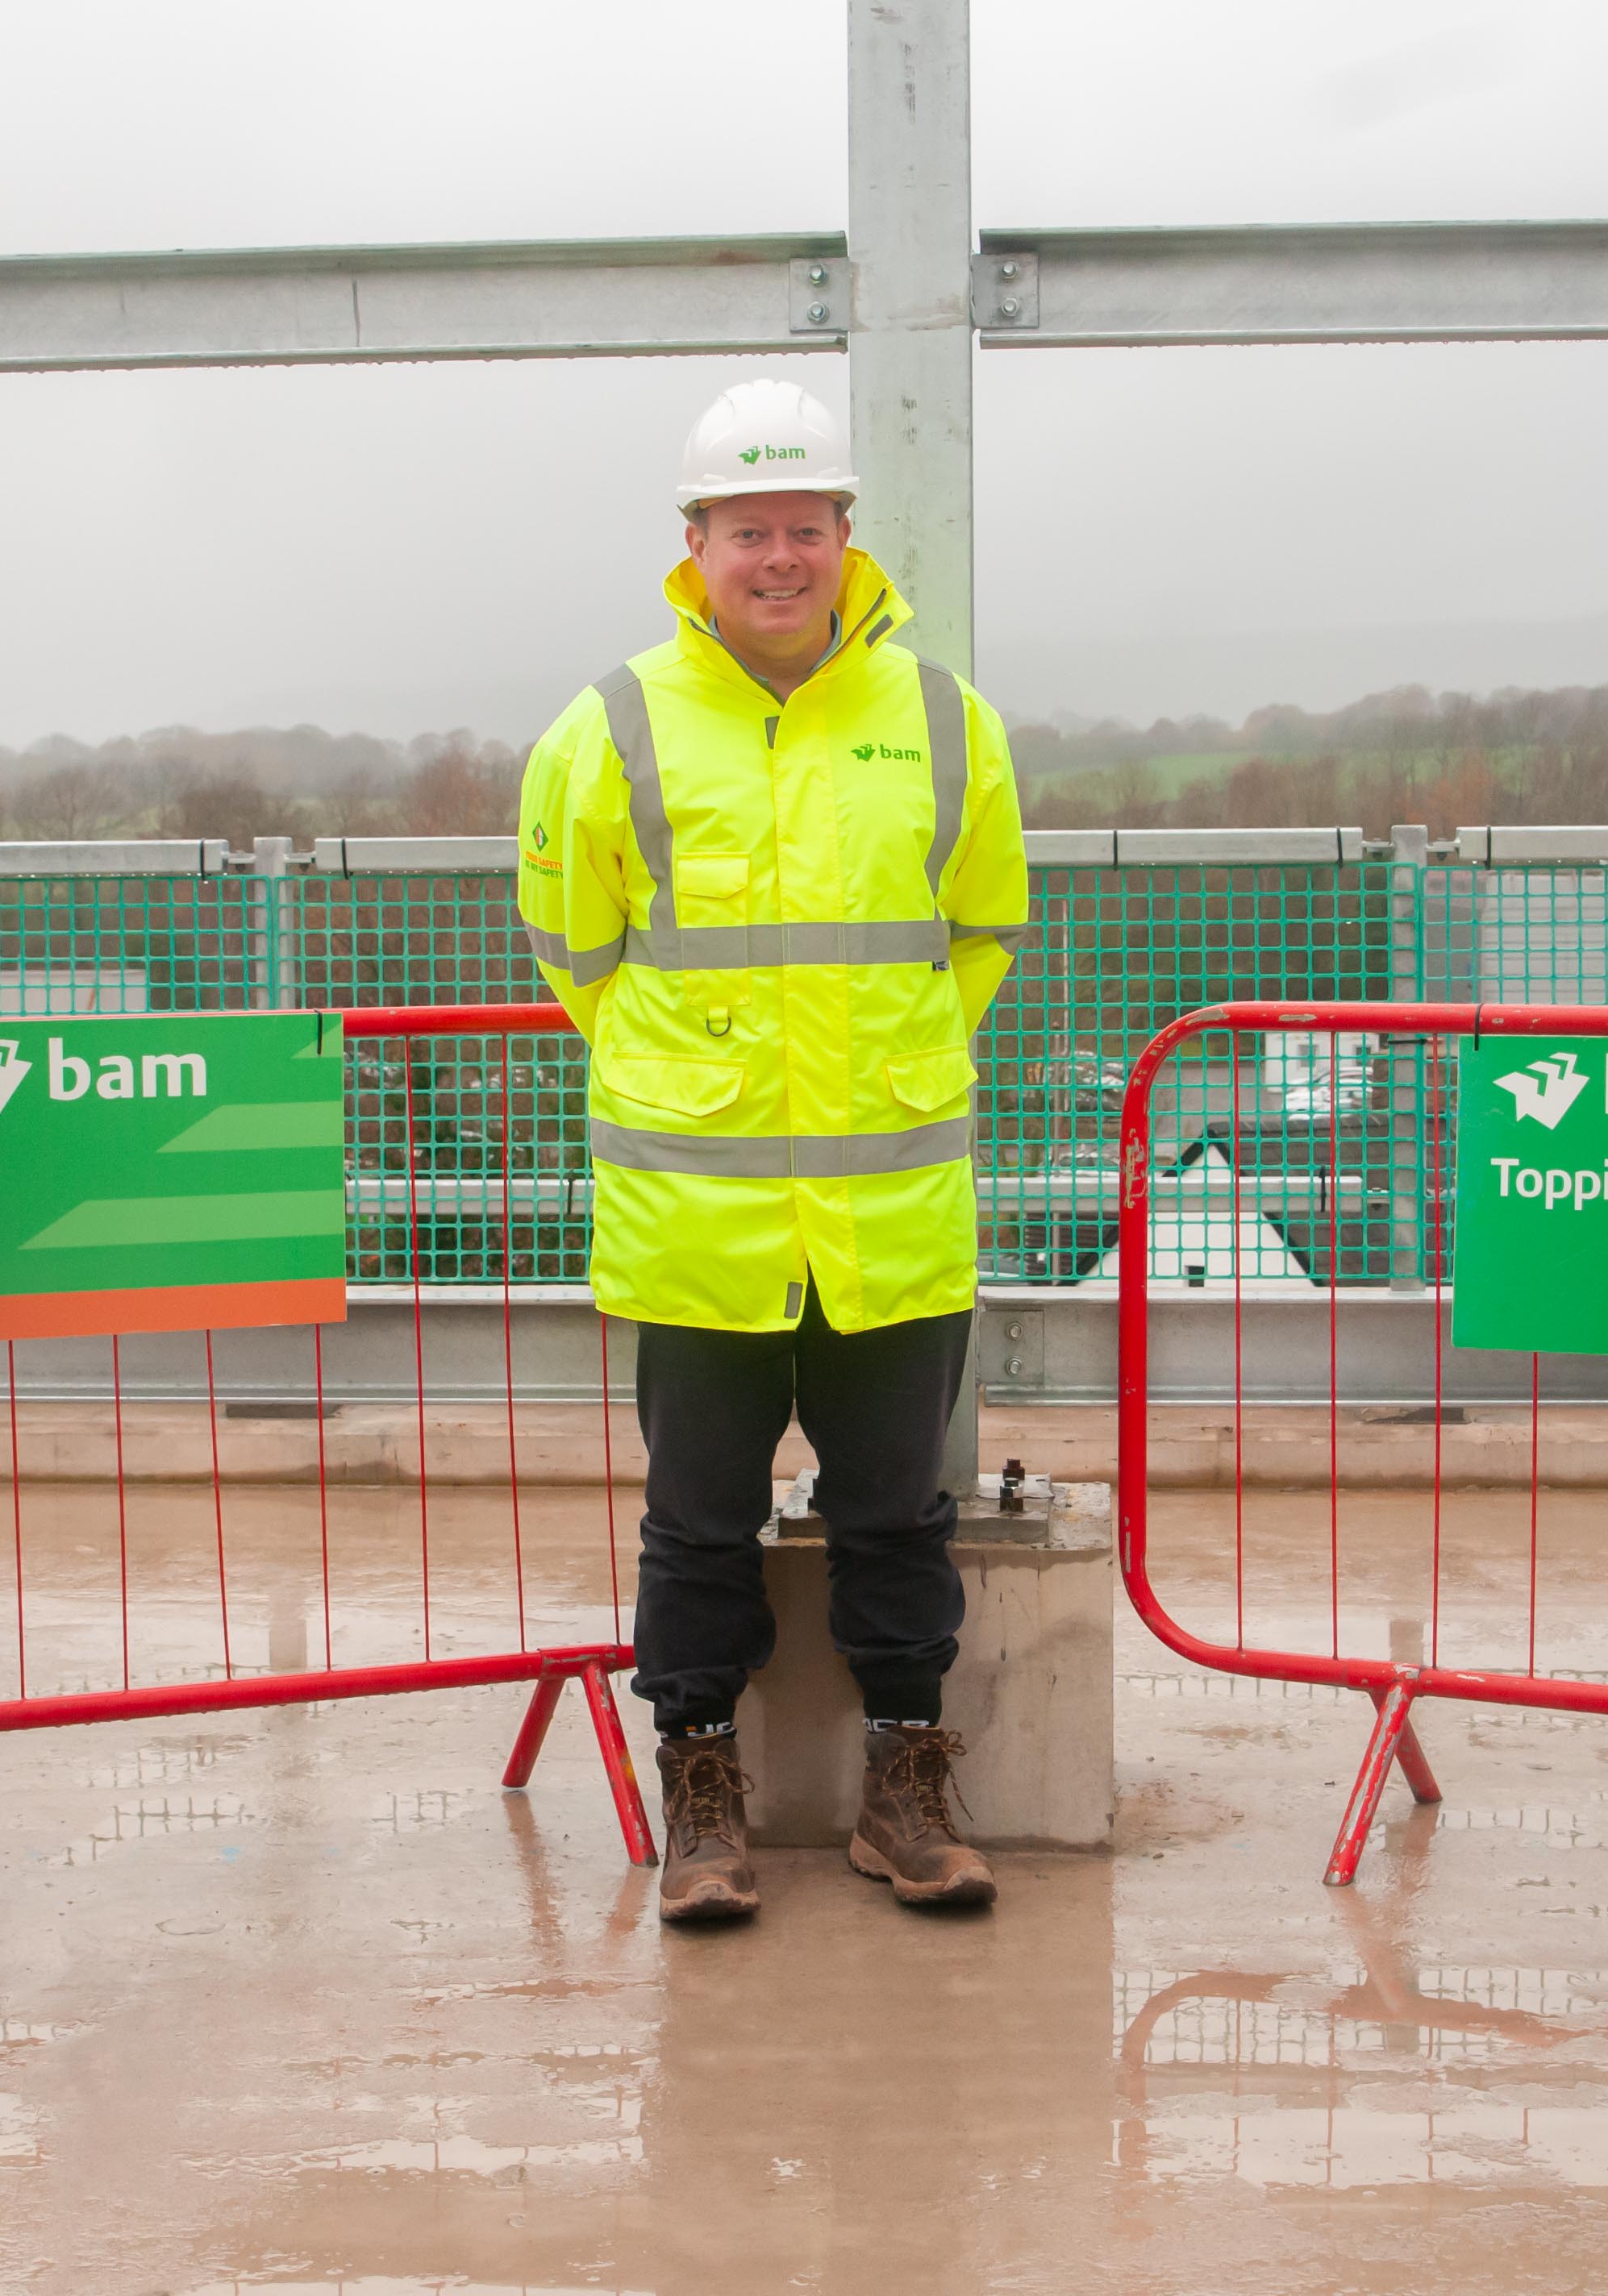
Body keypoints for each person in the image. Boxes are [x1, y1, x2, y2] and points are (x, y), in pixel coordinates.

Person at [515, 378, 1031, 1924]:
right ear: (697, 544)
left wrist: (871, 1079)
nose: (781, 557)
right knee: (696, 1527)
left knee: (898, 1520)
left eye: (805, 526)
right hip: (699, 1218)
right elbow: (574, 951)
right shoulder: (610, 726)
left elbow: (980, 931)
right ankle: (702, 1793)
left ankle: (904, 1791)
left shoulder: (942, 718)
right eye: (749, 531)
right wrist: (705, 1083)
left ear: (847, 534)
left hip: (890, 1215)